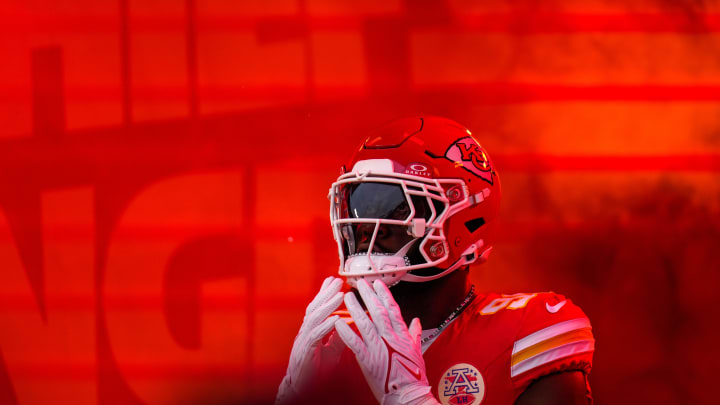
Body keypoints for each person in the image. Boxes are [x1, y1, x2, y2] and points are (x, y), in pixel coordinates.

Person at [275, 116, 595, 405]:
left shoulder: (525, 333)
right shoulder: (334, 343)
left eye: (393, 204)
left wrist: (414, 401)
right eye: (357, 203)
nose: (365, 224)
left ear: (464, 218)